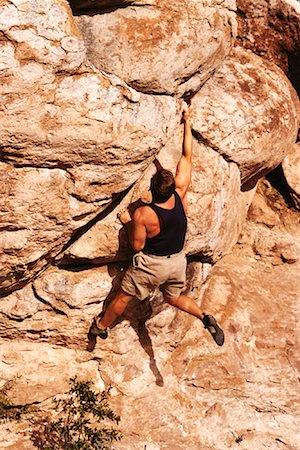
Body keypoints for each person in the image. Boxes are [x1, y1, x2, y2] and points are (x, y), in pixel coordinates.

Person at [88, 107, 224, 348]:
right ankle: (205, 317)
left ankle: (100, 327)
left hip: (154, 265)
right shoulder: (181, 195)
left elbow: (137, 245)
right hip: (177, 262)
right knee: (174, 297)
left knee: (123, 296)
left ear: (152, 190)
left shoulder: (144, 214)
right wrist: (187, 121)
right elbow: (187, 156)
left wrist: (128, 222)